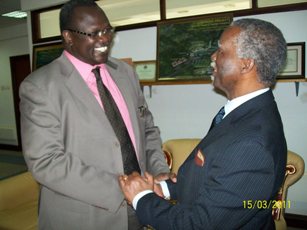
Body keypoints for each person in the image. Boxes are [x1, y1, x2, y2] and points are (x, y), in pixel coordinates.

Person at [119, 18, 288, 229]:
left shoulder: (251, 143)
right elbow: (213, 176)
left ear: (246, 64)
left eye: (221, 50)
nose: (213, 57)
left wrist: (141, 197)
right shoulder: (244, 113)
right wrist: (165, 189)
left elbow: (199, 224)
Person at [19, 0, 170, 229]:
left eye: (108, 30)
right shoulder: (40, 86)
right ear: (68, 37)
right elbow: (46, 161)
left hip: (142, 206)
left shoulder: (125, 73)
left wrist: (159, 172)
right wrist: (123, 187)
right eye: (93, 33)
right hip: (85, 216)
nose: (105, 39)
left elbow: (147, 128)